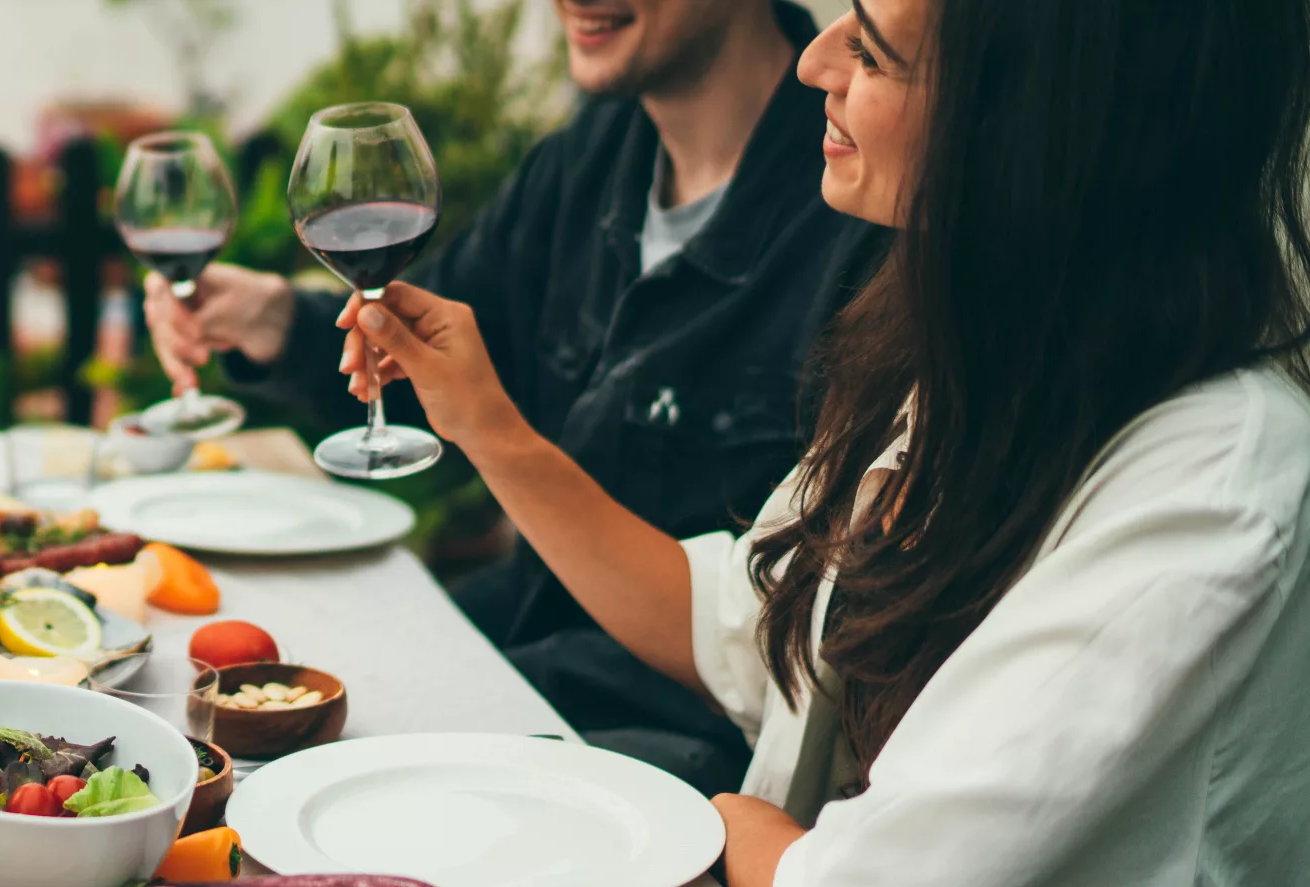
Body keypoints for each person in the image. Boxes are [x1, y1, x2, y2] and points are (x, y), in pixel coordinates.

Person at [345, 0, 1310, 887]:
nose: (814, 61)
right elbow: (734, 631)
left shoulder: (1217, 487)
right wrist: (484, 421)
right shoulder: (973, 369)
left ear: (1034, 132)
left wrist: (721, 820)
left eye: (870, 48)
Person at [147, 0, 879, 796]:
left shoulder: (867, 214)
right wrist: (270, 317)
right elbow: (431, 351)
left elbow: (802, 646)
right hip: (524, 649)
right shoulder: (585, 160)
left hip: (678, 754)